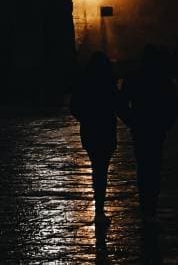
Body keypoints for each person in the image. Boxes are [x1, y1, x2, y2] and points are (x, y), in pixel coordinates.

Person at [119, 45, 178, 223]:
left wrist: (131, 120)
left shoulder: (133, 78)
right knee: (154, 167)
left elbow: (122, 103)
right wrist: (166, 124)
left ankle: (145, 205)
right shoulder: (162, 79)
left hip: (140, 128)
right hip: (156, 128)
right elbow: (173, 105)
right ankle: (151, 205)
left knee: (143, 167)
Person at [69, 52, 118, 230]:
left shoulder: (84, 84)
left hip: (90, 131)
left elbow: (74, 106)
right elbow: (118, 105)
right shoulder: (108, 84)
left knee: (97, 167)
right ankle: (99, 209)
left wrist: (86, 118)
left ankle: (99, 209)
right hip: (106, 131)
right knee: (101, 169)